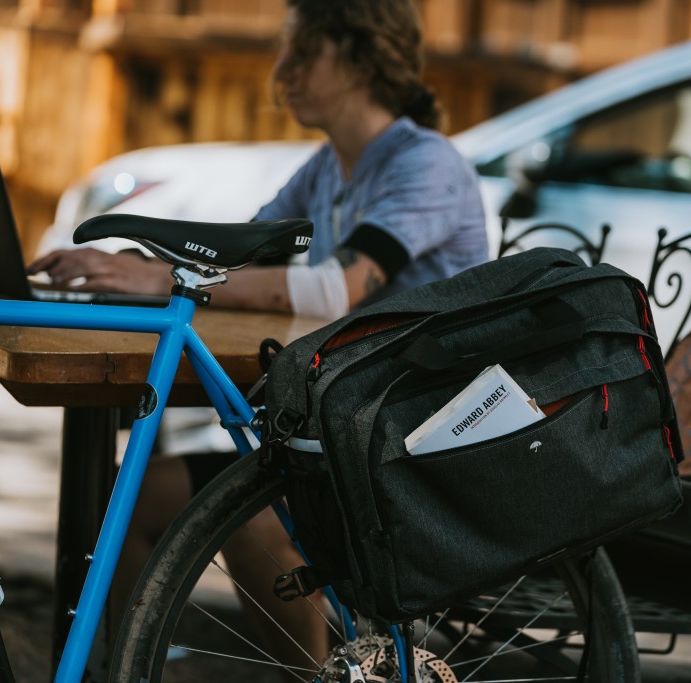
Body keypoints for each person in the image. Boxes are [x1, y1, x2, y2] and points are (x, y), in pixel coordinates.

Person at [30, 0, 488, 674]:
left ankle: (316, 676)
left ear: (362, 60)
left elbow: (340, 287)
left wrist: (157, 278)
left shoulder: (425, 164)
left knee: (254, 526)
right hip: (340, 435)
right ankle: (127, 669)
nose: (282, 70)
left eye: (303, 54)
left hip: (411, 445)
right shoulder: (330, 167)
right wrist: (141, 271)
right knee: (124, 507)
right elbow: (239, 258)